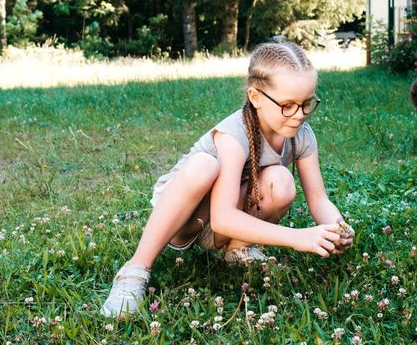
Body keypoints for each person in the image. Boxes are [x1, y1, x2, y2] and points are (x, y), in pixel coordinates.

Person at [100, 41, 354, 317]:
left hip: (226, 223)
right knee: (204, 166)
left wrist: (336, 228)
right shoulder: (235, 135)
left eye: (307, 104)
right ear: (256, 97)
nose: (299, 115)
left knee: (280, 180)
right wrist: (296, 238)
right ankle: (135, 271)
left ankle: (237, 249)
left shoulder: (302, 136)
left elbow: (318, 198)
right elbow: (222, 217)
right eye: (287, 105)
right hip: (186, 218)